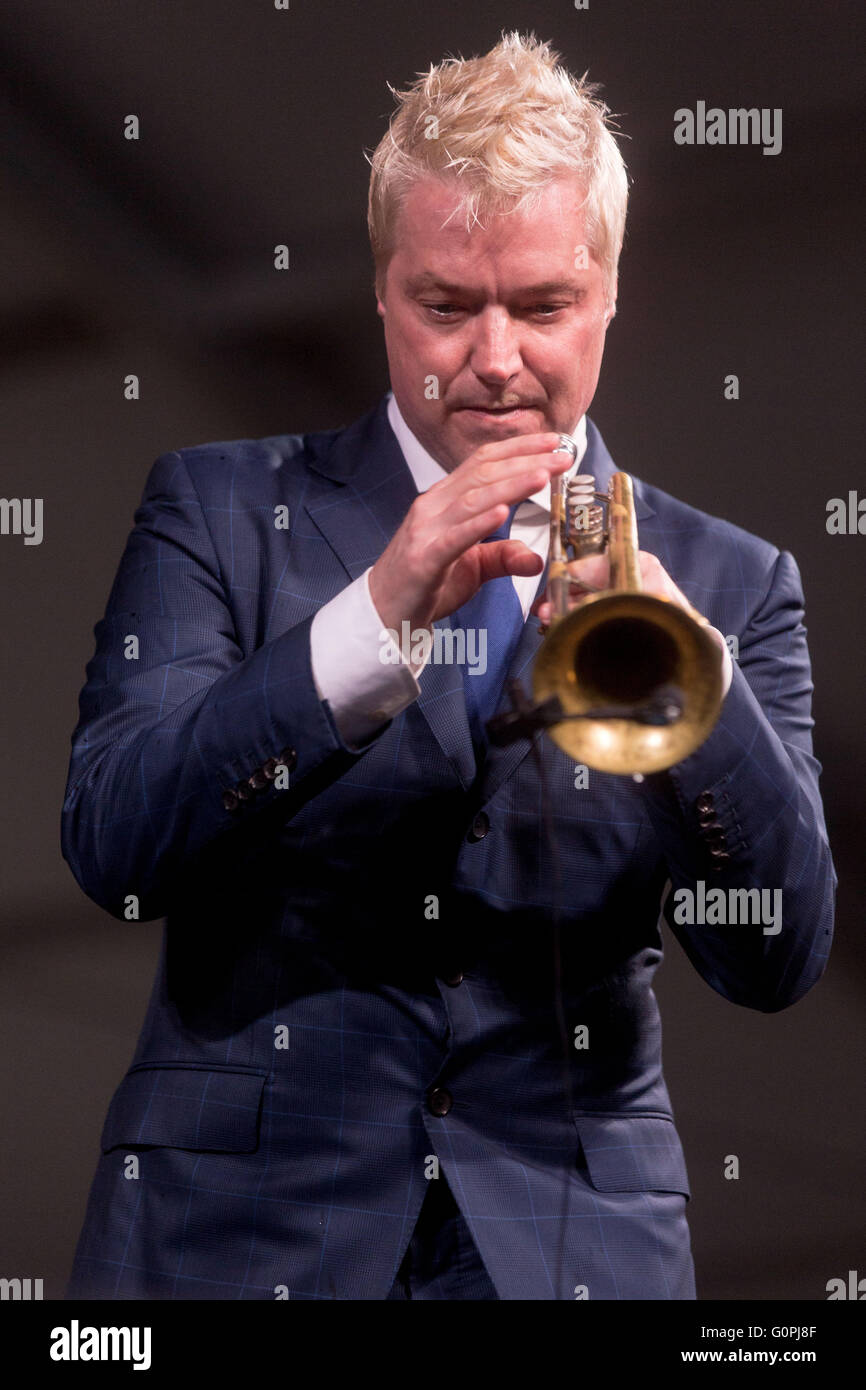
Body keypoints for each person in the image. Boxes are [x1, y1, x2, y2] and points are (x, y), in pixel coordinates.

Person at [62, 32, 835, 1301]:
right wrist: (369, 619)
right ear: (379, 290)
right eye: (444, 306)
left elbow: (777, 957)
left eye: (539, 307)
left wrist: (689, 680)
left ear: (607, 296)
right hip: (239, 1237)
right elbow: (113, 841)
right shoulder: (214, 508)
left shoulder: (735, 581)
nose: (491, 359)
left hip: (571, 1247)